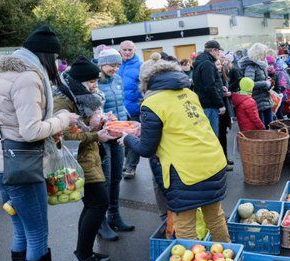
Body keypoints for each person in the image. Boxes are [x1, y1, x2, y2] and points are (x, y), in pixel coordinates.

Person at [0, 25, 80, 261]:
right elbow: (29, 130)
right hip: (21, 167)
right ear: (46, 55)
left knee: (21, 232)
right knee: (37, 234)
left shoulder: (6, 75)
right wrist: (63, 118)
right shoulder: (28, 78)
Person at [121, 53, 231, 242]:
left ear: (146, 81)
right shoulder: (188, 93)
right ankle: (228, 256)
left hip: (186, 171)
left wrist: (127, 138)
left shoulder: (152, 103)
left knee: (185, 225)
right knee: (215, 217)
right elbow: (179, 125)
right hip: (213, 161)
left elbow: (147, 149)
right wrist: (144, 128)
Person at [53, 56, 116, 261]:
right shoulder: (63, 101)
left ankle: (84, 253)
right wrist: (96, 135)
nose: (94, 86)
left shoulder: (76, 97)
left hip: (88, 157)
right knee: (98, 203)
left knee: (93, 205)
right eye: (91, 82)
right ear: (78, 82)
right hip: (78, 162)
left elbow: (80, 128)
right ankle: (82, 258)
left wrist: (97, 124)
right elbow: (65, 136)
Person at [96, 48, 134, 241]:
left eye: (118, 65)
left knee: (117, 176)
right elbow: (94, 111)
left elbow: (121, 104)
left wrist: (128, 121)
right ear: (101, 64)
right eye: (112, 64)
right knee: (105, 178)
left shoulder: (118, 80)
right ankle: (100, 221)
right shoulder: (94, 82)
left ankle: (114, 215)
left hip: (119, 133)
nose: (115, 68)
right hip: (103, 136)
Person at [117, 40, 142, 179]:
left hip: (134, 109)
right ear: (120, 50)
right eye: (124, 50)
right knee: (122, 138)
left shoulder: (140, 65)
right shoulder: (116, 65)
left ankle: (131, 166)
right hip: (119, 110)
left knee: (133, 137)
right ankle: (127, 162)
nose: (127, 52)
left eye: (130, 50)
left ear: (134, 50)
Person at [193, 40, 226, 137]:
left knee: (208, 135)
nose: (219, 53)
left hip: (205, 103)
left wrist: (220, 87)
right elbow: (210, 86)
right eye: (218, 51)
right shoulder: (207, 63)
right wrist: (220, 104)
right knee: (212, 136)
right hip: (209, 105)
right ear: (213, 50)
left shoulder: (201, 61)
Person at [238, 43, 273, 126]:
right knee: (262, 128)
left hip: (265, 99)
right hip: (257, 100)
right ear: (259, 53)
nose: (265, 56)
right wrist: (265, 83)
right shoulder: (251, 66)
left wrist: (268, 80)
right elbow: (249, 84)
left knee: (270, 126)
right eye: (263, 53)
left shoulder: (260, 64)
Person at [216, 58, 233, 171]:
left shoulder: (223, 75)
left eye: (219, 64)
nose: (218, 66)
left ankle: (225, 158)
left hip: (225, 108)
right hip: (218, 109)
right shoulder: (213, 77)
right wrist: (223, 93)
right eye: (216, 64)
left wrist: (228, 93)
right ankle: (221, 161)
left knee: (223, 136)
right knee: (219, 137)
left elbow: (228, 92)